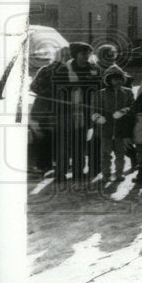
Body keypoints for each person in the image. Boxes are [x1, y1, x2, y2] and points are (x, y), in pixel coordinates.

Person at [51, 42, 103, 184]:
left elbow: (99, 87)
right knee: (63, 143)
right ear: (75, 54)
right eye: (83, 53)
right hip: (65, 112)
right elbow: (55, 89)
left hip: (86, 112)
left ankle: (78, 172)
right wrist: (71, 88)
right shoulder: (63, 69)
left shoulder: (94, 69)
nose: (86, 56)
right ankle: (60, 173)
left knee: (80, 143)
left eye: (88, 53)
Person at [29, 45, 70, 175]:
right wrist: (52, 94)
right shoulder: (60, 70)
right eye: (67, 55)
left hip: (47, 109)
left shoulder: (45, 69)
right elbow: (34, 87)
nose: (69, 58)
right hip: (52, 109)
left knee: (49, 137)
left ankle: (46, 165)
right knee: (54, 137)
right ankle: (49, 164)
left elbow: (33, 87)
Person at [90, 65, 134, 181]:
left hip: (121, 128)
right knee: (105, 154)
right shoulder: (100, 93)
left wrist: (124, 110)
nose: (117, 81)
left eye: (120, 79)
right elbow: (94, 109)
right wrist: (97, 117)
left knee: (120, 153)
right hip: (105, 129)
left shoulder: (128, 92)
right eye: (115, 79)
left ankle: (119, 173)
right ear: (108, 80)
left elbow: (133, 106)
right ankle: (106, 174)